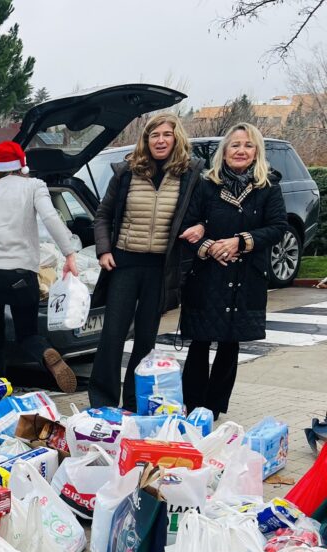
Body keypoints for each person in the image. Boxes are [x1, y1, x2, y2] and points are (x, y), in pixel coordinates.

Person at [88, 113, 205, 411]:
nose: (161, 140)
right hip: (124, 265)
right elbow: (102, 215)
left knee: (145, 341)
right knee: (112, 335)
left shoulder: (189, 175)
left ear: (176, 138)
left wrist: (203, 227)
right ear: (146, 139)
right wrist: (104, 250)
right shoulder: (126, 172)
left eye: (166, 134)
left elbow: (205, 214)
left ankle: (134, 402)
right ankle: (102, 401)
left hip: (159, 269)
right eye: (154, 135)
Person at [177, 123, 287, 418]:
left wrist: (241, 242)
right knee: (200, 341)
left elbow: (278, 227)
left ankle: (213, 408)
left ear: (256, 152)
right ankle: (192, 403)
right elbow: (187, 225)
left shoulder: (268, 187)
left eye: (248, 145)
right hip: (208, 274)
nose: (241, 150)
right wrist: (210, 245)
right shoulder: (205, 184)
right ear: (224, 152)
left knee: (229, 343)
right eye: (235, 144)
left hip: (245, 275)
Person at [0, 140, 79, 393]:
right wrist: (69, 254)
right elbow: (51, 218)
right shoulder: (34, 186)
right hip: (21, 274)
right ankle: (46, 352)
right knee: (27, 334)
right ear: (22, 167)